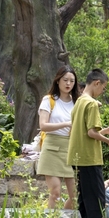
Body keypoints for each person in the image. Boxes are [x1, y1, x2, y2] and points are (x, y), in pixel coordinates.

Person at [67, 68, 109, 218]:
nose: (102, 91)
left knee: (84, 200)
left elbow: (82, 131)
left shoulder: (79, 102)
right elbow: (91, 132)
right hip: (89, 158)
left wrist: (105, 131)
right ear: (97, 83)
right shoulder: (91, 104)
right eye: (103, 88)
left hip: (77, 157)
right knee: (98, 201)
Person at [36, 66, 80, 209]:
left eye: (72, 81)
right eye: (65, 80)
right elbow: (43, 125)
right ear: (57, 81)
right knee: (55, 193)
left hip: (71, 149)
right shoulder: (48, 100)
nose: (68, 84)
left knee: (76, 196)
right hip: (52, 147)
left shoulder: (77, 101)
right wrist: (66, 124)